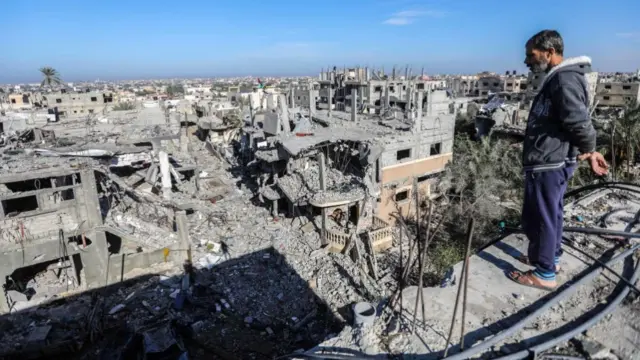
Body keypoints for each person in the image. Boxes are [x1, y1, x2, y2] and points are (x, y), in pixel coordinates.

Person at [508, 30, 609, 290]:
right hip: (550, 158)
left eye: (531, 55)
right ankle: (549, 258)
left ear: (550, 52)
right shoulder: (561, 78)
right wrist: (587, 151)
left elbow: (578, 121)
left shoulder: (563, 80)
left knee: (542, 216)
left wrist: (590, 149)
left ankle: (544, 274)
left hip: (549, 161)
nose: (527, 61)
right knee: (549, 213)